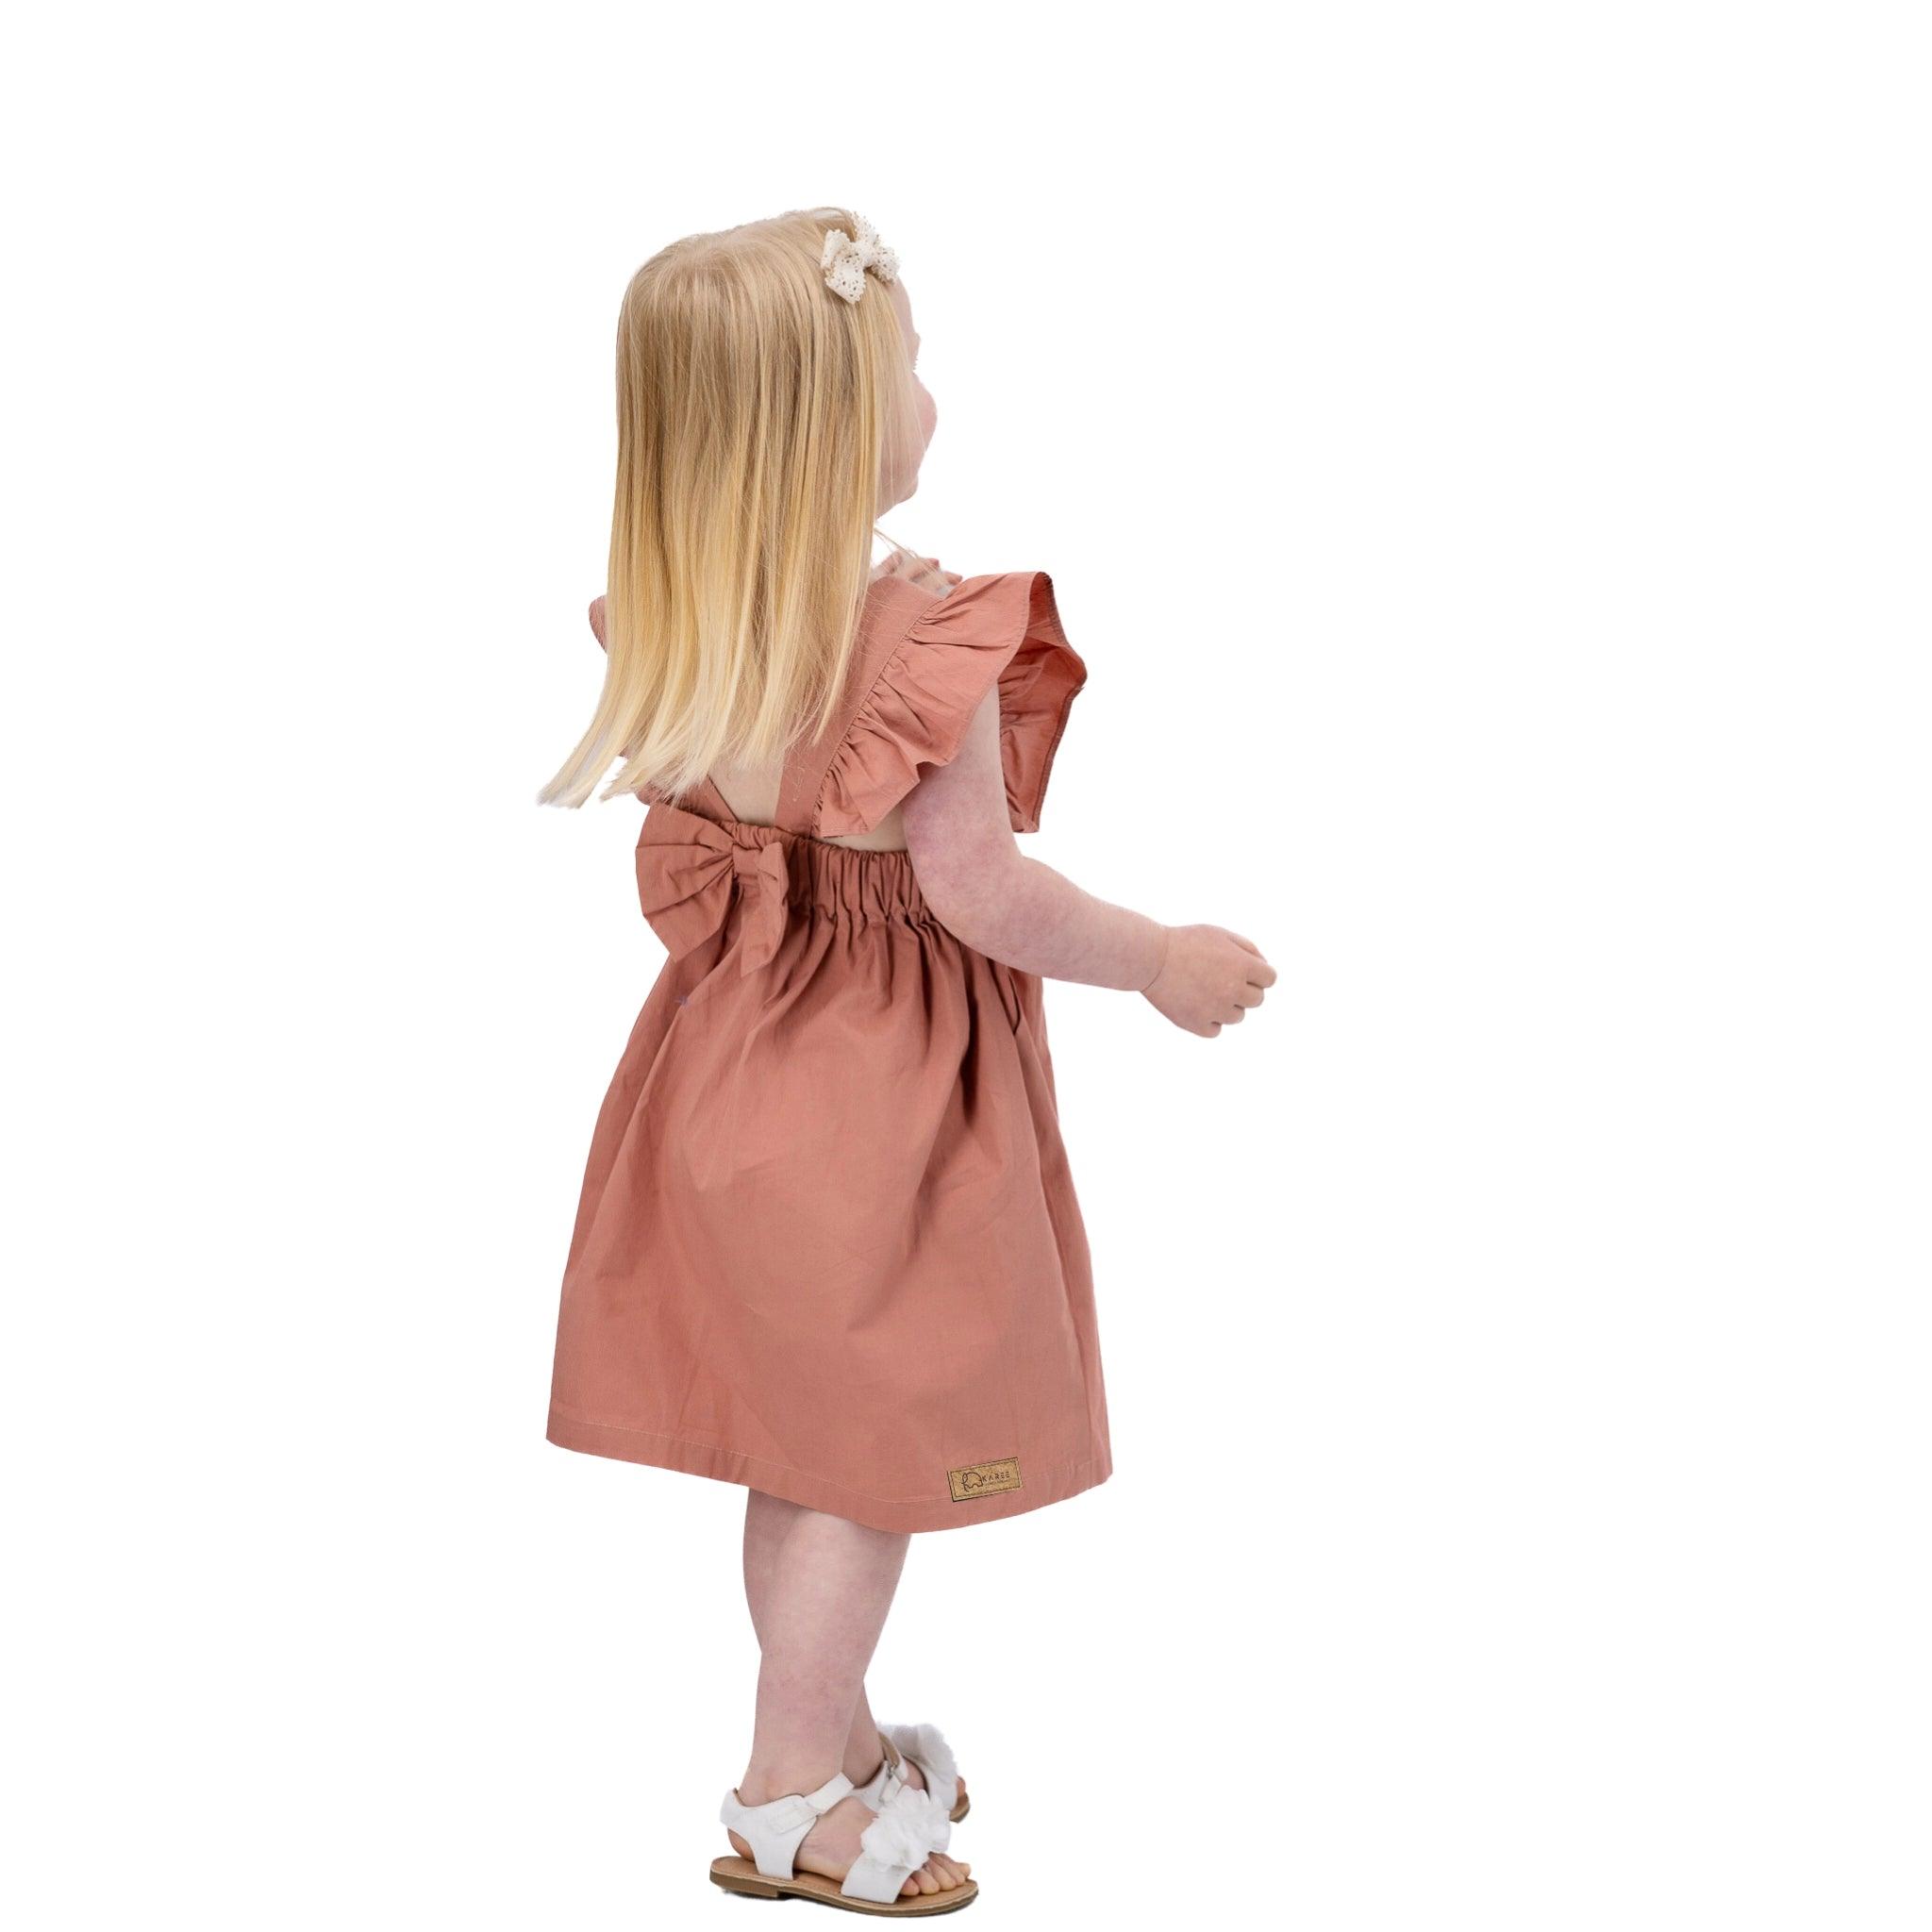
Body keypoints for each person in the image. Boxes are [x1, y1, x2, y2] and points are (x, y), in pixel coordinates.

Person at [540, 207, 1275, 1914]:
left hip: (719, 1087)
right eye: (909, 366)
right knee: (867, 1466)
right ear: (833, 425)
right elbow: (983, 890)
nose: (930, 392)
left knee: (803, 1446)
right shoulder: (927, 642)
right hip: (875, 1110)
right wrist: (1158, 959)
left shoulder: (678, 624)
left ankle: (826, 1730)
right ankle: (792, 1785)